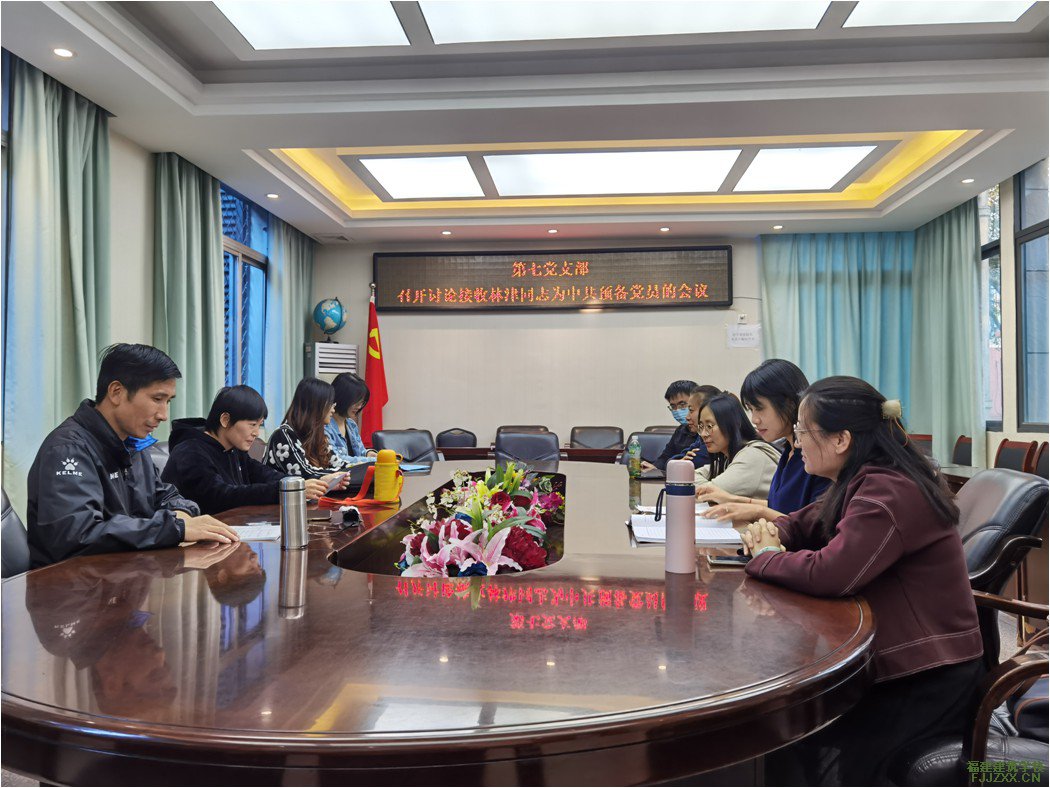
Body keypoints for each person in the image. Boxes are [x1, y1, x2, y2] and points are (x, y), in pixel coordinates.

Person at [740, 376, 983, 785]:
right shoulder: (861, 479)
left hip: (925, 678)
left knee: (789, 734)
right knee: (783, 731)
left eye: (802, 431)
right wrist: (771, 534)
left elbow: (832, 573)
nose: (796, 441)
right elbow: (802, 523)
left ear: (841, 440)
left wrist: (766, 557)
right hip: (896, 665)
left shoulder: (888, 491)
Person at [27, 343, 239, 568]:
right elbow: (77, 535)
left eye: (168, 401)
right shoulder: (68, 450)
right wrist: (176, 528)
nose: (164, 415)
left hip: (123, 576)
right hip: (69, 584)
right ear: (116, 392)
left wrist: (181, 513)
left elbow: (165, 496)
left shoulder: (132, 444)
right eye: (157, 399)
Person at [163, 385, 345, 515]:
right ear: (225, 420)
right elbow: (221, 497)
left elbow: (265, 474)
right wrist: (288, 490)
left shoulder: (233, 450)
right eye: (252, 424)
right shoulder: (190, 451)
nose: (256, 433)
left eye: (259, 425)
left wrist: (307, 483)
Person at [698, 359, 829, 523]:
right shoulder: (788, 451)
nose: (755, 419)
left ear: (788, 404)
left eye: (759, 409)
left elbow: (810, 525)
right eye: (751, 410)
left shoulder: (814, 457)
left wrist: (756, 511)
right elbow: (780, 506)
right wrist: (732, 500)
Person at [693, 393, 780, 499]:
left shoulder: (752, 456)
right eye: (701, 426)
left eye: (709, 426)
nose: (703, 434)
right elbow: (691, 475)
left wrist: (703, 487)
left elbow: (707, 495)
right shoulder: (727, 458)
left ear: (734, 423)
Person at [266, 377, 357, 478]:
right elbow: (306, 473)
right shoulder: (283, 435)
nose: (333, 410)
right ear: (316, 406)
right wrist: (343, 474)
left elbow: (338, 464)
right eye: (330, 404)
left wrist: (360, 468)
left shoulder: (318, 434)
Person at [641, 380, 702, 473]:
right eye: (673, 406)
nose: (677, 410)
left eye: (682, 404)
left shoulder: (706, 433)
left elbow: (694, 462)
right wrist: (654, 467)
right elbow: (665, 457)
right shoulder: (680, 430)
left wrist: (673, 464)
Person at [325, 372, 377, 465]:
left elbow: (360, 452)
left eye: (362, 402)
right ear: (342, 398)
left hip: (357, 472)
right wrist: (372, 460)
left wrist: (368, 454)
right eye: (356, 402)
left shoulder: (351, 424)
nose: (359, 406)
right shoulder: (325, 426)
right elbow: (336, 459)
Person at [670, 384, 722, 468]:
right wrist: (678, 462)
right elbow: (670, 461)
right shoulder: (700, 436)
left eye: (691, 410)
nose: (687, 417)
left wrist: (677, 464)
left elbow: (694, 462)